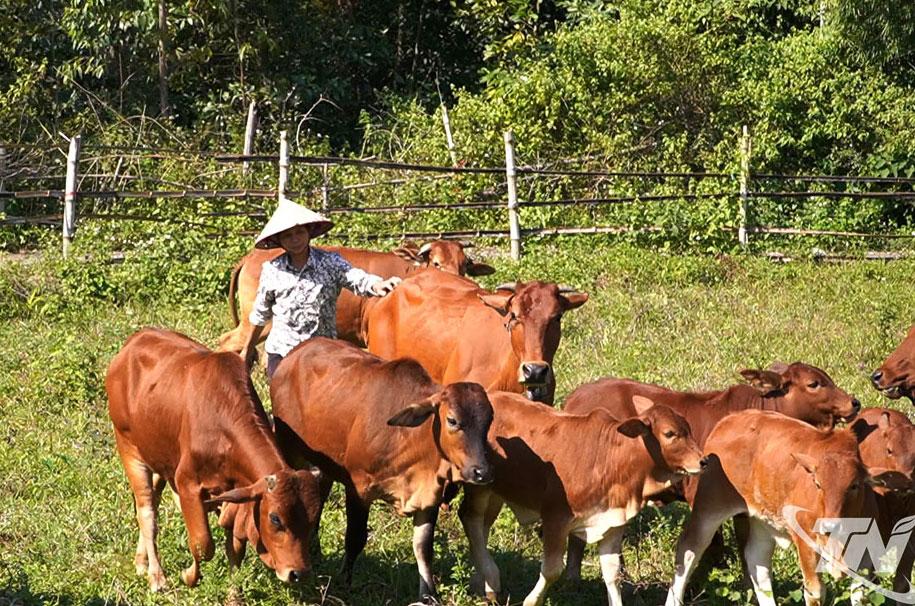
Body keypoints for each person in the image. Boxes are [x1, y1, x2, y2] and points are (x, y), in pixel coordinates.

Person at [241, 197, 401, 378]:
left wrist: (378, 284)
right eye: (288, 235)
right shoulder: (272, 270)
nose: (295, 240)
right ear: (279, 240)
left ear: (309, 232)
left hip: (323, 353)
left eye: (299, 232)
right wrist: (247, 349)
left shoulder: (330, 262)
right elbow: (261, 314)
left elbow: (355, 277)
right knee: (284, 405)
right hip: (283, 353)